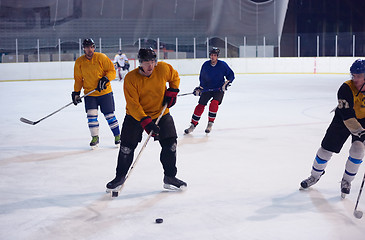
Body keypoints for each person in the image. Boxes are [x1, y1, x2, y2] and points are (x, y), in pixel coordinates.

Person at [106, 47, 187, 191]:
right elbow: (133, 104)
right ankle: (119, 178)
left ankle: (170, 176)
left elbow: (174, 76)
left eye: (152, 61)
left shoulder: (162, 68)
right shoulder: (131, 78)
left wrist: (173, 90)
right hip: (135, 116)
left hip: (160, 113)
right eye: (146, 62)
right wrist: (145, 121)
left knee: (171, 145)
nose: (150, 65)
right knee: (126, 148)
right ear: (140, 63)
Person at [300, 59, 365, 198]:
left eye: (358, 76)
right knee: (325, 150)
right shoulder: (345, 88)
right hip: (343, 120)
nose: (355, 79)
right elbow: (347, 115)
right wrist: (361, 132)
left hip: (363, 121)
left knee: (358, 150)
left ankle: (346, 181)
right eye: (353, 75)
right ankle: (314, 176)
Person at [72, 38, 121, 149]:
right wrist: (76, 93)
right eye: (87, 47)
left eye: (92, 47)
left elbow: (112, 71)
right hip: (90, 94)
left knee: (110, 115)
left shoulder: (101, 57)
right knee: (91, 116)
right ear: (83, 48)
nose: (90, 49)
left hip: (105, 93)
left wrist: (105, 79)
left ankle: (118, 136)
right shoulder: (79, 62)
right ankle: (95, 137)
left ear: (94, 47)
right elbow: (79, 79)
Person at [184, 47, 235, 134]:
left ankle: (210, 123)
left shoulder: (222, 65)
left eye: (214, 55)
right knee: (200, 106)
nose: (212, 57)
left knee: (214, 104)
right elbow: (202, 78)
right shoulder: (205, 65)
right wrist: (200, 88)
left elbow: (231, 75)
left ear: (217, 56)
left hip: (218, 89)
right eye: (211, 55)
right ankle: (193, 125)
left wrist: (226, 83)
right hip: (207, 89)